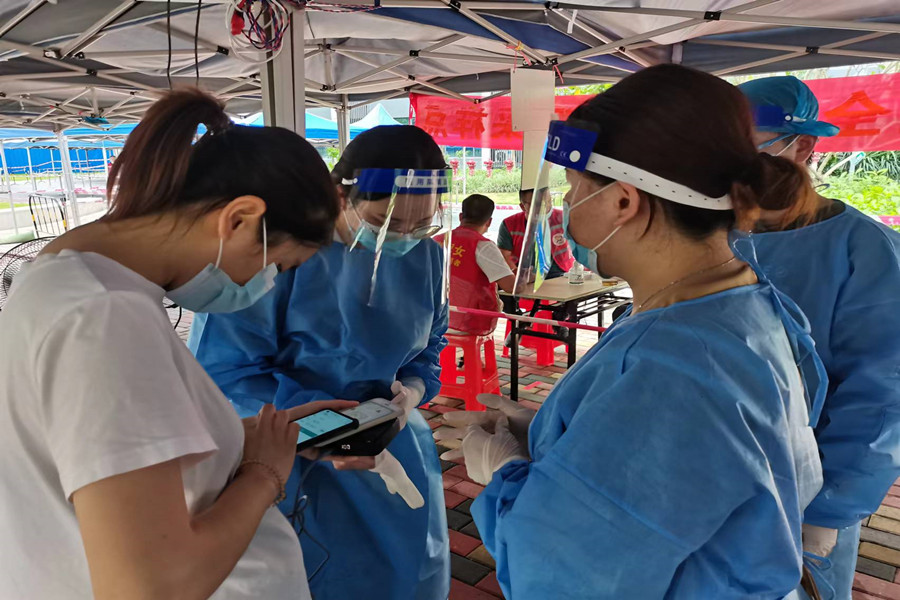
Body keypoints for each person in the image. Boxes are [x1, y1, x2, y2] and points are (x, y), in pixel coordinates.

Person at [437, 64, 827, 599]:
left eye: (574, 187)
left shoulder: (671, 362)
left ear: (623, 200)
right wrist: (555, 436)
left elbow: (567, 571)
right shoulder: (743, 304)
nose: (568, 204)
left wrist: (505, 473)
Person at [0, 89, 350, 599]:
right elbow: (152, 587)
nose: (265, 283)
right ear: (239, 219)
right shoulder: (104, 318)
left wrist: (248, 437)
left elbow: (108, 456)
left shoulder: (63, 282)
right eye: (276, 264)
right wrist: (263, 475)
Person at [188, 125, 450, 600]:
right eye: (384, 221)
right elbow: (226, 371)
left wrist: (411, 391)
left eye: (421, 225)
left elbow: (431, 344)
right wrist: (328, 423)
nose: (403, 237)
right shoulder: (282, 256)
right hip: (295, 447)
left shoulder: (426, 257)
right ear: (340, 196)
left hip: (390, 440)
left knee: (410, 572)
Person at [741, 75, 900, 600]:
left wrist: (831, 508)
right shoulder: (719, 233)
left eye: (749, 145)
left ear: (803, 146)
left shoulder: (866, 251)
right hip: (720, 468)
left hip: (810, 482)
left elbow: (882, 395)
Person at [439, 193, 515, 335]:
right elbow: (510, 287)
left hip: (434, 320)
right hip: (471, 323)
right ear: (489, 222)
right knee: (501, 303)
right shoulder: (483, 246)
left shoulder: (437, 240)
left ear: (461, 217)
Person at [497, 187, 574, 277]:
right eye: (538, 204)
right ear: (523, 206)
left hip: (562, 273)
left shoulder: (565, 218)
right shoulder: (509, 224)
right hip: (524, 276)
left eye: (549, 201)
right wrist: (518, 275)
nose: (546, 207)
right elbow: (504, 256)